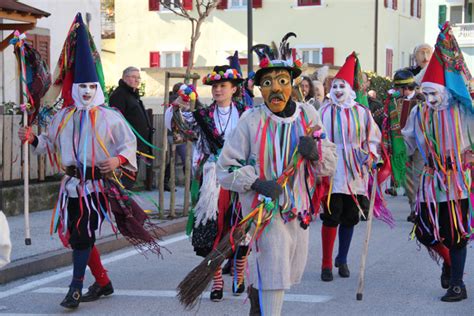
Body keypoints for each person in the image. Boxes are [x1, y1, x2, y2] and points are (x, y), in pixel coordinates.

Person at [18, 13, 162, 309]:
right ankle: (104, 281)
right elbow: (48, 144)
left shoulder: (111, 117)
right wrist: (32, 138)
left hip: (97, 186)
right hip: (71, 185)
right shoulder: (62, 117)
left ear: (97, 88)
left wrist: (117, 159)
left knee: (82, 233)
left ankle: (75, 288)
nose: (85, 92)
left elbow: (128, 144)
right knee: (76, 236)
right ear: (74, 88)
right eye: (80, 87)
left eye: (90, 88)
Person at [217, 33, 337, 316]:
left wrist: (315, 153)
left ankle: (257, 304)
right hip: (263, 210)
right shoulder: (251, 120)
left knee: (284, 268)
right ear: (259, 88)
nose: (275, 89)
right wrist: (256, 182)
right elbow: (226, 168)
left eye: (282, 81)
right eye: (267, 83)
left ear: (292, 84)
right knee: (273, 265)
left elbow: (328, 164)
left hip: (298, 210)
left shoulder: (309, 116)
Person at [401, 22, 473, 302]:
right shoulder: (419, 114)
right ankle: (450, 263)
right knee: (424, 231)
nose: (429, 99)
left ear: (445, 89)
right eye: (426, 93)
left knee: (456, 233)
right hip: (431, 182)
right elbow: (406, 144)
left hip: (458, 180)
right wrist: (383, 152)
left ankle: (457, 285)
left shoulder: (463, 111)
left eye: (434, 93)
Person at [166, 65, 249, 302]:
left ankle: (239, 272)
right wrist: (179, 103)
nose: (217, 90)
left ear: (234, 89)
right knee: (212, 229)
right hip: (212, 179)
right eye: (214, 86)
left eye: (223, 86)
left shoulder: (246, 114)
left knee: (242, 228)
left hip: (240, 177)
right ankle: (217, 280)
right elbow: (178, 125)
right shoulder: (202, 116)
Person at [318, 52, 382, 282]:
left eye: (341, 86)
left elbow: (373, 137)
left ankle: (342, 258)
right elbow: (316, 136)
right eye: (334, 86)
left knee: (350, 216)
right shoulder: (323, 111)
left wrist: (371, 156)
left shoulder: (361, 112)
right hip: (332, 170)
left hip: (355, 171)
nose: (337, 90)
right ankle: (326, 264)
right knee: (331, 215)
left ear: (350, 89)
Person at [109, 66, 155, 189]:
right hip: (125, 147)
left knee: (130, 181)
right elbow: (117, 122)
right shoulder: (119, 95)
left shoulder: (133, 95)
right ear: (124, 78)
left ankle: (125, 204)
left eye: (138, 77)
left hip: (136, 146)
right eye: (133, 77)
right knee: (124, 182)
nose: (137, 80)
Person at [389, 69, 424, 222]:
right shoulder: (395, 101)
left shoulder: (421, 101)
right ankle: (413, 207)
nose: (396, 91)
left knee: (417, 177)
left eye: (398, 88)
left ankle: (418, 209)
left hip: (419, 146)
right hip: (402, 145)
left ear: (405, 87)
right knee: (406, 178)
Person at [164, 82, 186, 191]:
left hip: (174, 134)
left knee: (173, 159)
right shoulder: (177, 100)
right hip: (177, 134)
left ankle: (165, 181)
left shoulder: (171, 98)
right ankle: (189, 182)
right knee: (185, 159)